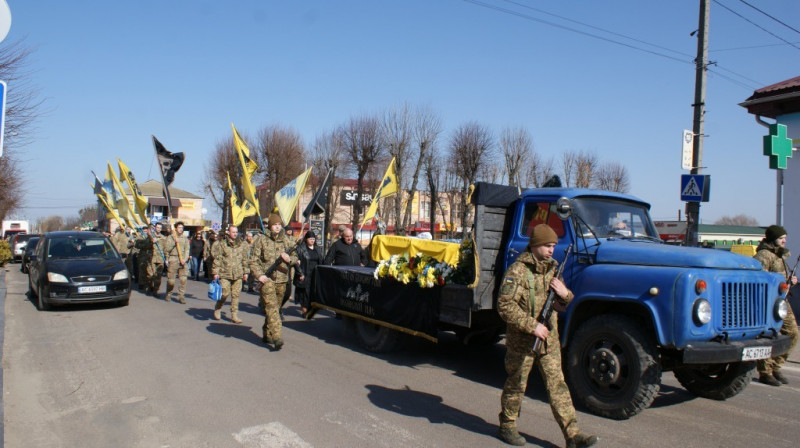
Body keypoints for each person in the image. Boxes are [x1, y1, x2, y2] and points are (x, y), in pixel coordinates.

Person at [496, 224, 597, 447]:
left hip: (548, 341)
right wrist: (532, 326)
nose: (552, 250)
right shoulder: (518, 271)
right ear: (535, 245)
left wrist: (565, 294)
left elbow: (562, 304)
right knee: (517, 383)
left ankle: (573, 435)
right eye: (547, 245)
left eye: (553, 246)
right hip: (523, 341)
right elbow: (504, 306)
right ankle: (508, 425)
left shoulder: (552, 269)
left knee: (557, 385)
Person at [755, 225, 799, 387]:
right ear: (773, 238)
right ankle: (765, 372)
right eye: (781, 238)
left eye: (785, 238)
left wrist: (791, 282)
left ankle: (775, 366)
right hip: (768, 302)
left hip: (781, 301)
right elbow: (760, 280)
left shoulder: (779, 256)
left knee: (793, 333)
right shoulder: (764, 256)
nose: (784, 240)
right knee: (770, 335)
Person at [250, 213, 297, 350]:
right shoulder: (262, 240)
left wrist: (289, 260)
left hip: (282, 280)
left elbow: (296, 257)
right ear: (270, 226)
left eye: (279, 224)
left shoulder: (286, 241)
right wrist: (259, 275)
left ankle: (266, 332)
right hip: (267, 279)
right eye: (274, 225)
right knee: (271, 308)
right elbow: (253, 260)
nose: (277, 227)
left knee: (275, 308)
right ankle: (277, 337)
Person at [211, 225, 249, 323]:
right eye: (233, 232)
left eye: (236, 232)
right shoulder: (222, 244)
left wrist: (246, 272)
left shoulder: (242, 244)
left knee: (236, 295)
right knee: (225, 293)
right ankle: (218, 307)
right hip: (225, 273)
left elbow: (245, 259)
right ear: (228, 233)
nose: (235, 234)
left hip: (238, 273)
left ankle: (234, 315)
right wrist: (215, 272)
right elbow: (218, 259)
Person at [294, 230, 323, 315]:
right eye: (310, 239)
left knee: (312, 291)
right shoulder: (300, 248)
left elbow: (321, 260)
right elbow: (296, 262)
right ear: (306, 239)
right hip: (305, 273)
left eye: (313, 239)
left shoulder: (318, 249)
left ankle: (310, 307)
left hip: (315, 274)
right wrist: (300, 273)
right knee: (305, 292)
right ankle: (304, 308)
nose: (312, 241)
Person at [136, 222, 167, 298]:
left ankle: (155, 291)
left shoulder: (163, 238)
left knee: (158, 276)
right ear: (155, 228)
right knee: (150, 275)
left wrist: (167, 259)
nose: (159, 229)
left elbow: (166, 249)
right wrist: (151, 242)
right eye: (157, 227)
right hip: (151, 258)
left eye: (160, 228)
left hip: (160, 259)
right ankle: (149, 287)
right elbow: (144, 246)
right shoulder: (150, 237)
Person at [163, 221, 190, 304]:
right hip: (173, 259)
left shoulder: (185, 238)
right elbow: (166, 249)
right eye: (179, 227)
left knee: (183, 279)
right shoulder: (171, 237)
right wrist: (174, 242)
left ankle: (181, 296)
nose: (181, 229)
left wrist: (184, 259)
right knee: (171, 281)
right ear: (175, 228)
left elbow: (187, 250)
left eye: (182, 228)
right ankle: (168, 293)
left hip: (182, 260)